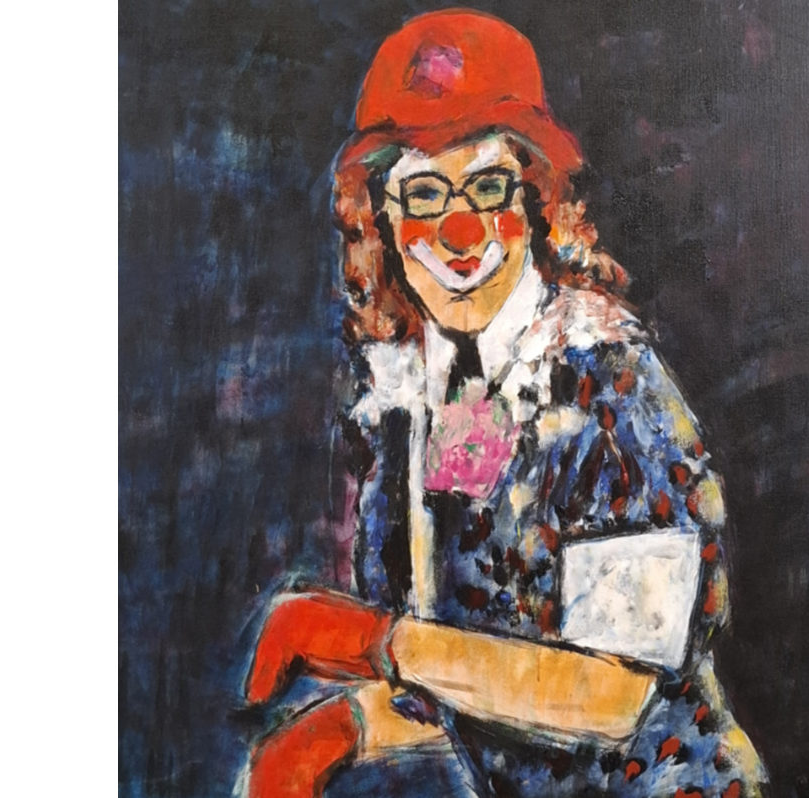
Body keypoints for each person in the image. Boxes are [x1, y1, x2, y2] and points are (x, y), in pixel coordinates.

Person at [237, 9, 767, 798]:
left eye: (487, 186)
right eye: (424, 193)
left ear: (535, 202)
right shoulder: (416, 398)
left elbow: (613, 693)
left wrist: (374, 642)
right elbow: (470, 673)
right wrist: (343, 728)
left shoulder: (612, 388)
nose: (460, 233)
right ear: (379, 222)